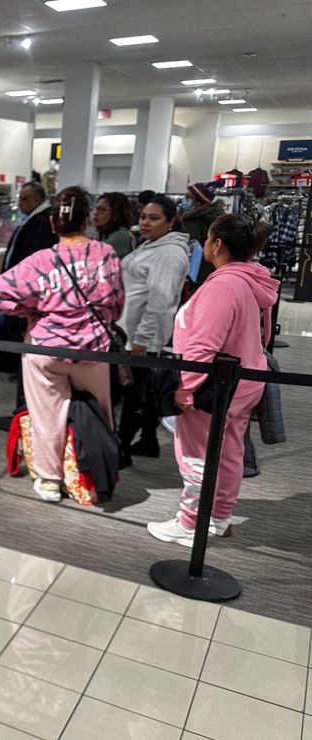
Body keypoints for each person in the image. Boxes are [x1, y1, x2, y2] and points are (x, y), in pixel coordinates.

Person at [147, 215, 278, 545]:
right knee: (229, 451)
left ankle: (191, 523)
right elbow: (262, 334)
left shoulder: (222, 286)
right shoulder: (252, 281)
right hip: (244, 380)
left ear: (217, 244)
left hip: (214, 387)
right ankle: (219, 515)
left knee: (195, 452)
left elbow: (203, 343)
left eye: (206, 238)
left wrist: (186, 388)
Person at [0, 186, 124, 501]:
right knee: (103, 412)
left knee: (47, 415)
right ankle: (98, 471)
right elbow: (117, 305)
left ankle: (50, 480)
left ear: (52, 223)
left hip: (45, 347)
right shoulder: (106, 255)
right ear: (87, 220)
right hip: (93, 347)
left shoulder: (40, 260)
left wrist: (33, 311)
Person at [118, 195, 191, 460]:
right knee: (143, 390)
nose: (146, 223)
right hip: (132, 329)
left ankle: (121, 445)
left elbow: (160, 302)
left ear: (170, 222)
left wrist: (142, 339)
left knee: (134, 392)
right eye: (143, 217)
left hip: (142, 336)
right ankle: (148, 440)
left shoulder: (168, 254)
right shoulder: (152, 245)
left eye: (154, 218)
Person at [0, 182, 57, 372]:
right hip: (17, 290)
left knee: (21, 332)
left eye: (24, 199)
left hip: (25, 293)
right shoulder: (33, 220)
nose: (20, 203)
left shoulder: (42, 222)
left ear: (37, 200)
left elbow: (33, 258)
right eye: (20, 198)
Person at [182, 180, 226, 289]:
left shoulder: (191, 221)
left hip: (195, 274)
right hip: (213, 269)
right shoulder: (216, 218)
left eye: (188, 197)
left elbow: (190, 248)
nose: (184, 200)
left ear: (197, 201)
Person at [93, 192, 134, 258]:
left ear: (116, 213)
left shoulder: (121, 236)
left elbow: (92, 259)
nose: (95, 213)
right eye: (96, 209)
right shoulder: (105, 233)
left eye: (102, 210)